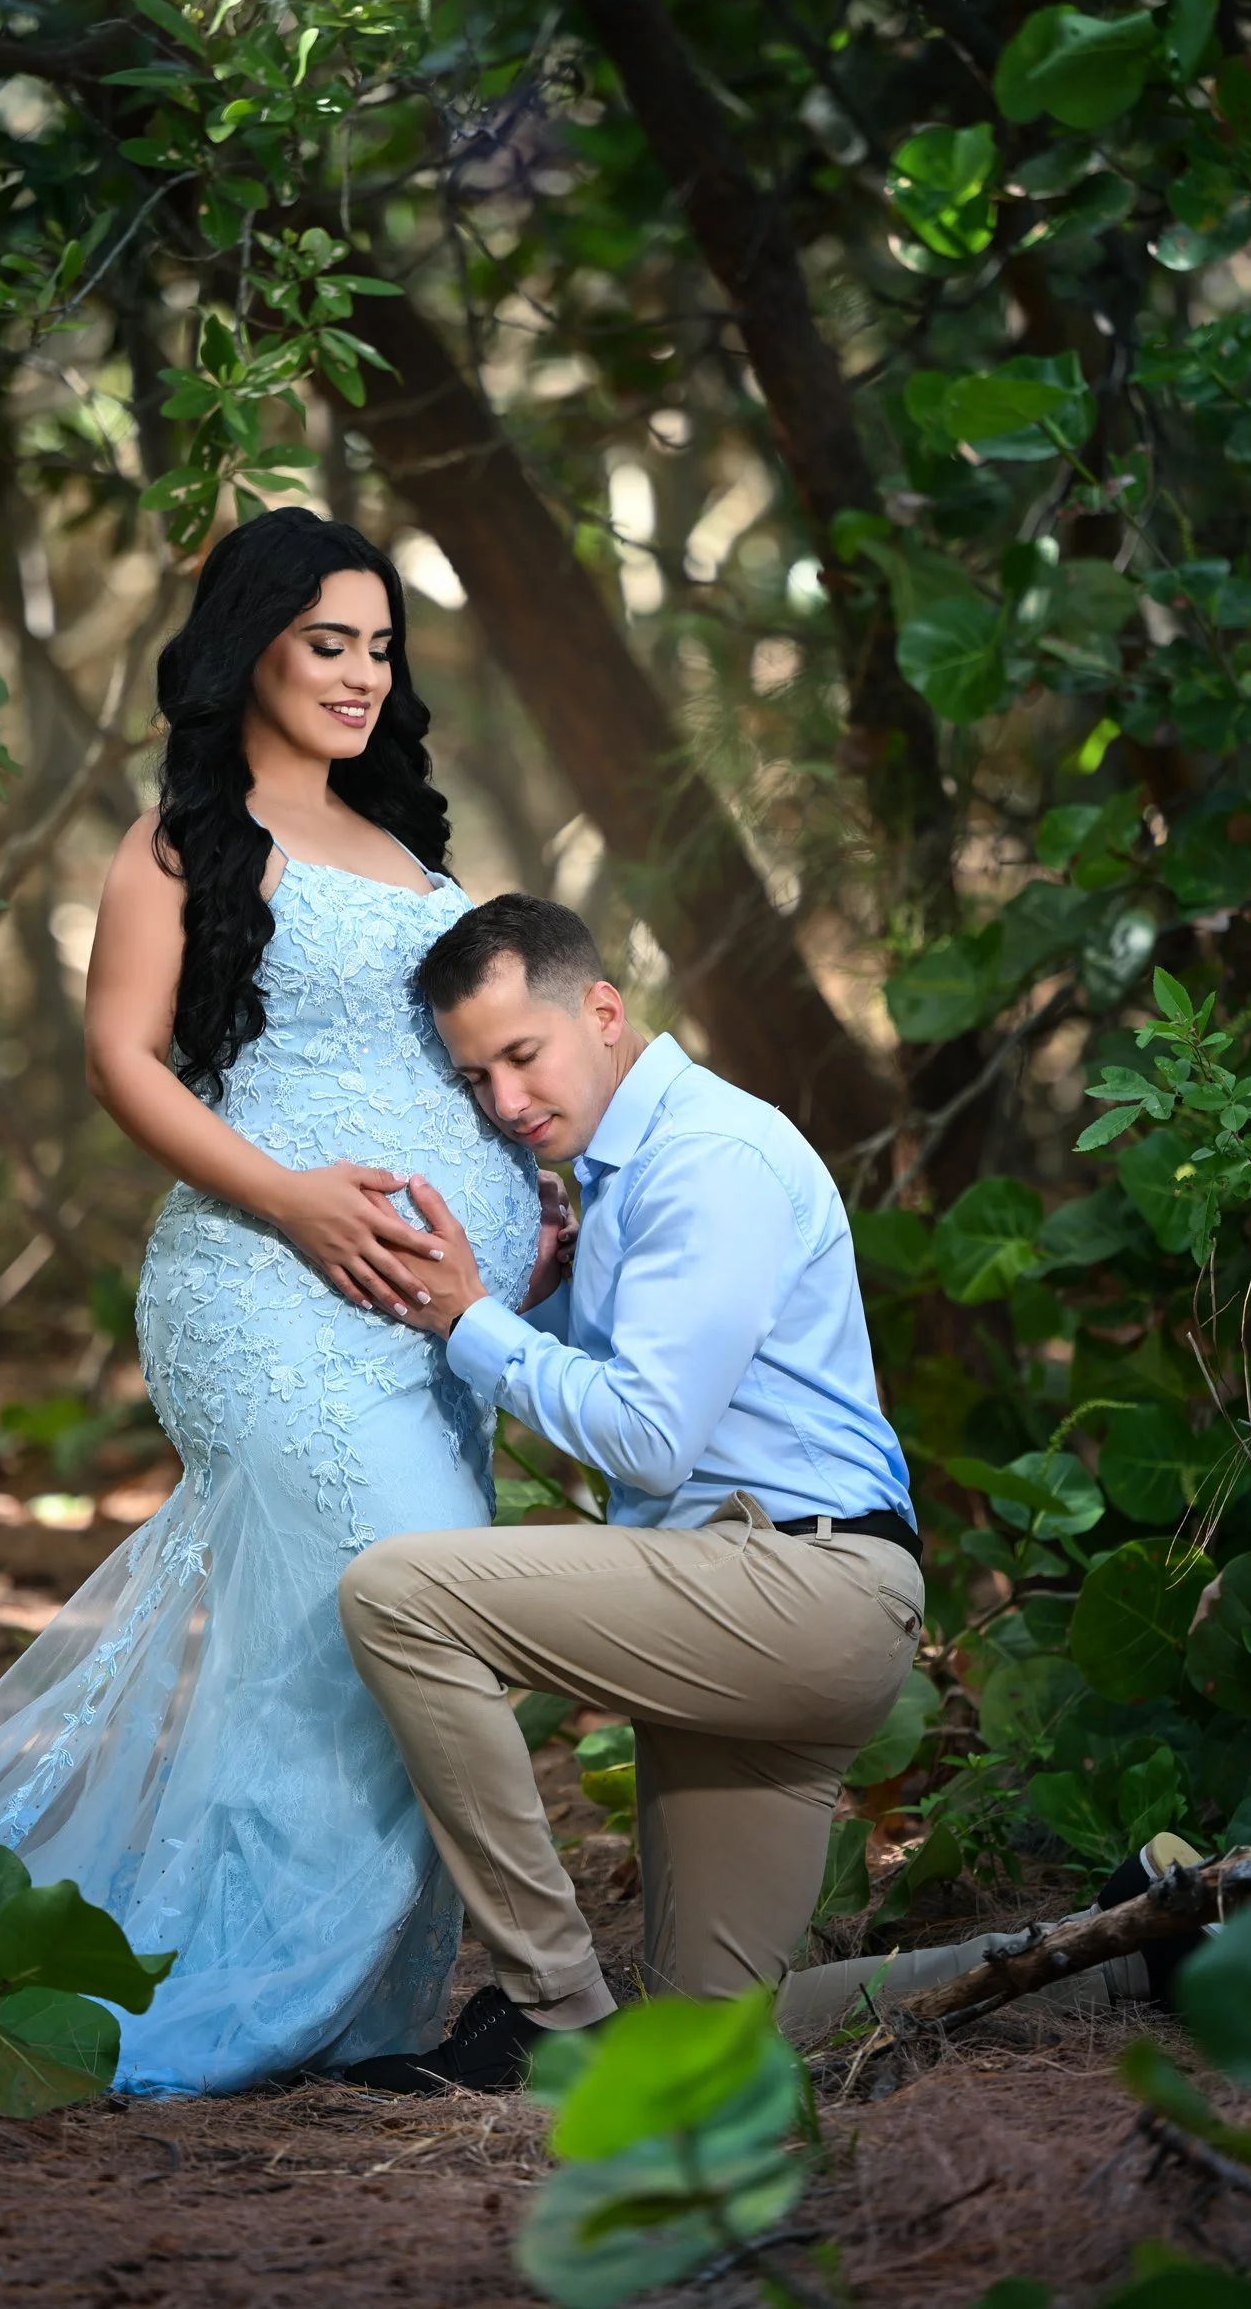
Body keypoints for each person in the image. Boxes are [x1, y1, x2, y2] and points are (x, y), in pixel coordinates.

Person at [0, 509, 553, 2093]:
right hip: (268, 1291)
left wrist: (531, 1208)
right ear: (249, 651)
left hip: (426, 1332)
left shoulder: (418, 856)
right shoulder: (179, 845)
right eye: (328, 644)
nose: (364, 675)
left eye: (380, 647)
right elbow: (117, 1063)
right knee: (398, 1615)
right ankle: (231, 2000)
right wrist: (294, 1201)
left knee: (347, 1654)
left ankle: (337, 2001)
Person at [336, 893, 926, 2094]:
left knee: (397, 1595)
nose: (503, 1102)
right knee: (709, 2031)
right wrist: (542, 1305)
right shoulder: (622, 1170)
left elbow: (650, 1438)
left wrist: (471, 1320)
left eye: (521, 1055)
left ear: (602, 1011)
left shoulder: (709, 1157)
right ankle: (1135, 1943)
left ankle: (550, 2007)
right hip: (765, 1602)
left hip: (795, 1584)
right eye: (475, 1077)